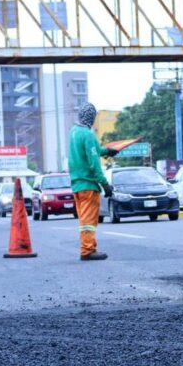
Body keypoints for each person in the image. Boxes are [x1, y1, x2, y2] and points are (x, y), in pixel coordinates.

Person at [68, 102, 118, 261]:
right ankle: (87, 250)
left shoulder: (74, 132)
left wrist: (108, 151)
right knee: (88, 221)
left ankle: (88, 247)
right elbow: (94, 163)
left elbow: (95, 149)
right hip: (89, 186)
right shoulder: (88, 134)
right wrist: (105, 184)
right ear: (92, 118)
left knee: (84, 220)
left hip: (77, 185)